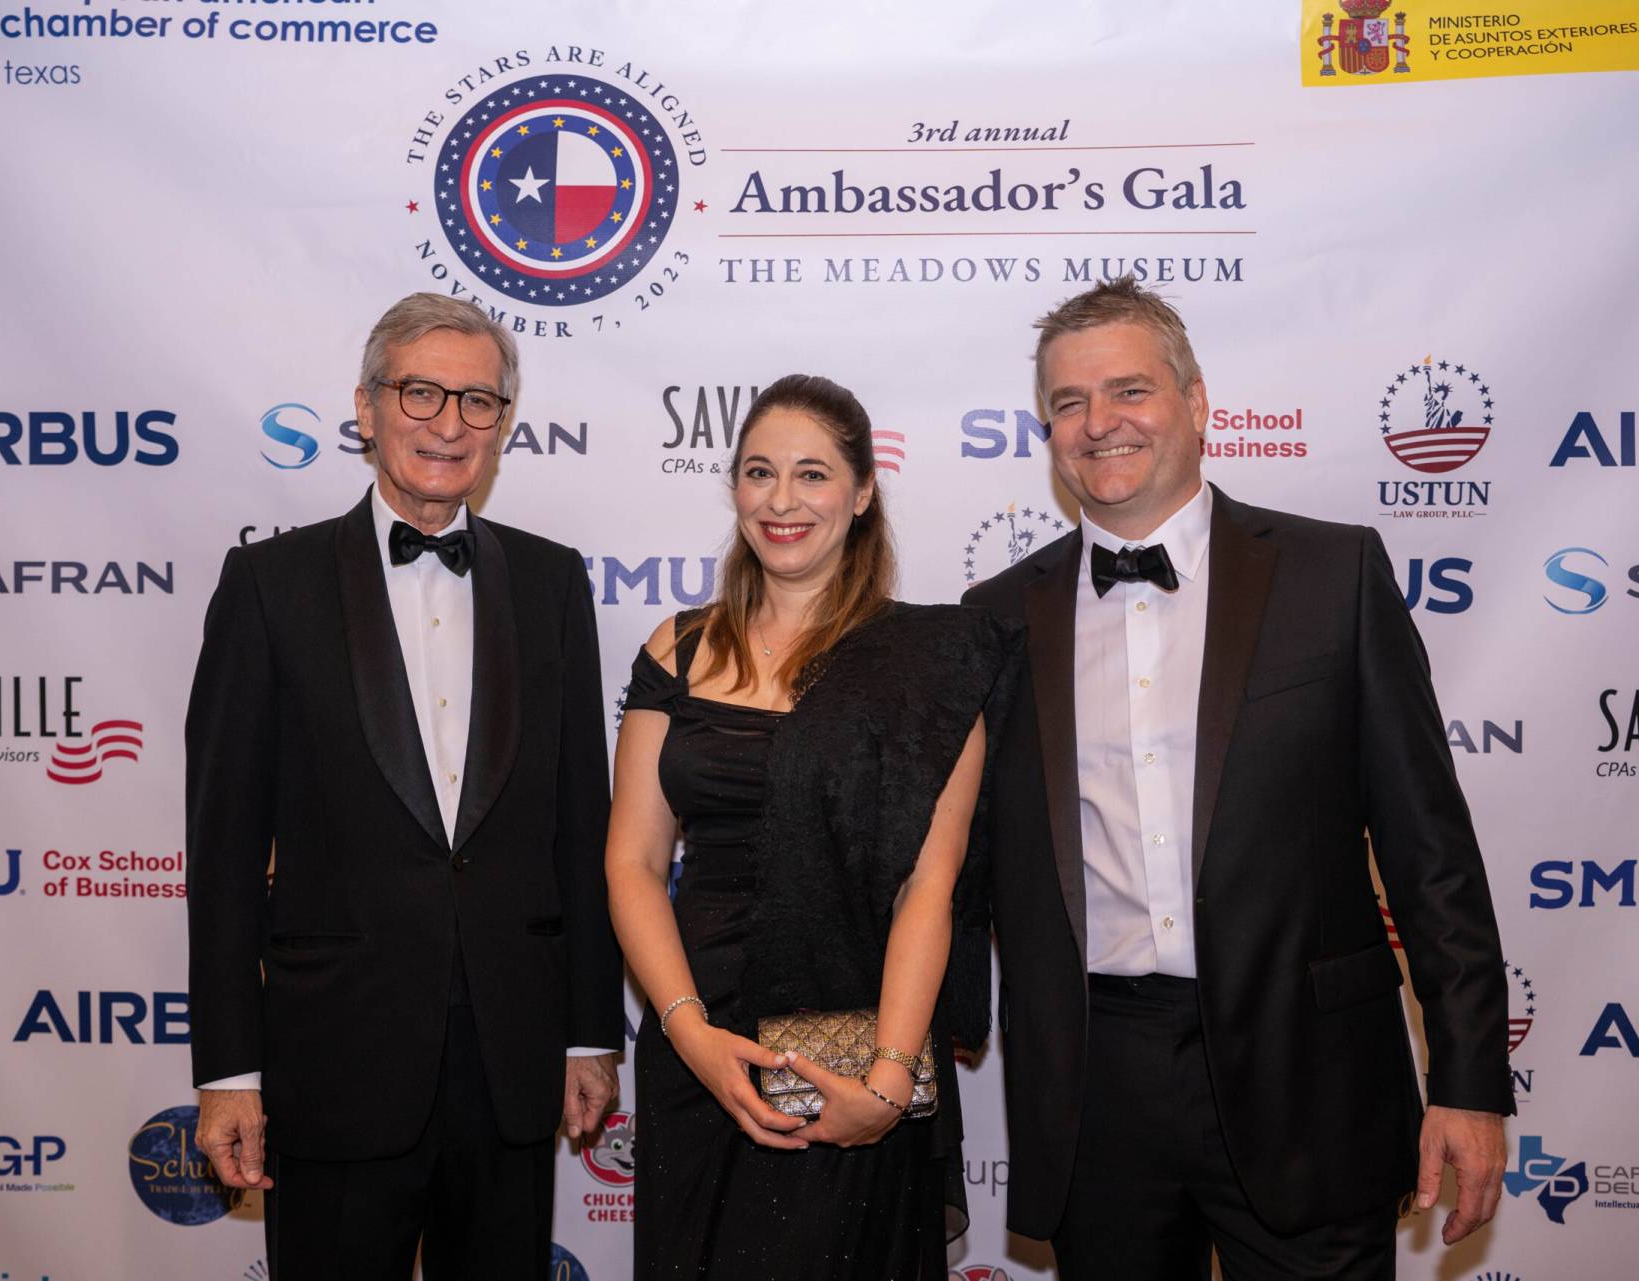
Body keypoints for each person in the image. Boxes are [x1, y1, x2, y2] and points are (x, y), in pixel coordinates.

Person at [964, 278, 1512, 1279]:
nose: (1099, 423)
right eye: (1068, 403)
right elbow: (962, 862)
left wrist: (1469, 1081)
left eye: (1129, 390)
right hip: (1095, 1083)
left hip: (1310, 1069)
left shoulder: (1332, 575)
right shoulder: (995, 615)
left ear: (1196, 402)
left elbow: (1429, 852)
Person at [185, 292, 623, 1279]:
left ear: (503, 423)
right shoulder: (269, 585)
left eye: (477, 401)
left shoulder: (552, 584)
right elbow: (222, 854)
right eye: (420, 392)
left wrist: (588, 1034)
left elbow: (578, 824)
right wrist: (228, 1069)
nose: (448, 423)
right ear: (366, 406)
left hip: (512, 1060)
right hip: (333, 1057)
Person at [606, 374, 1021, 1280]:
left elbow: (929, 884)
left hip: (851, 1046)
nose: (781, 500)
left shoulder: (933, 662)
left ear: (863, 491)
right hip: (695, 1037)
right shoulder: (676, 648)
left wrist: (886, 1081)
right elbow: (632, 859)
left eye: (812, 474)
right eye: (759, 472)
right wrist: (688, 1033)